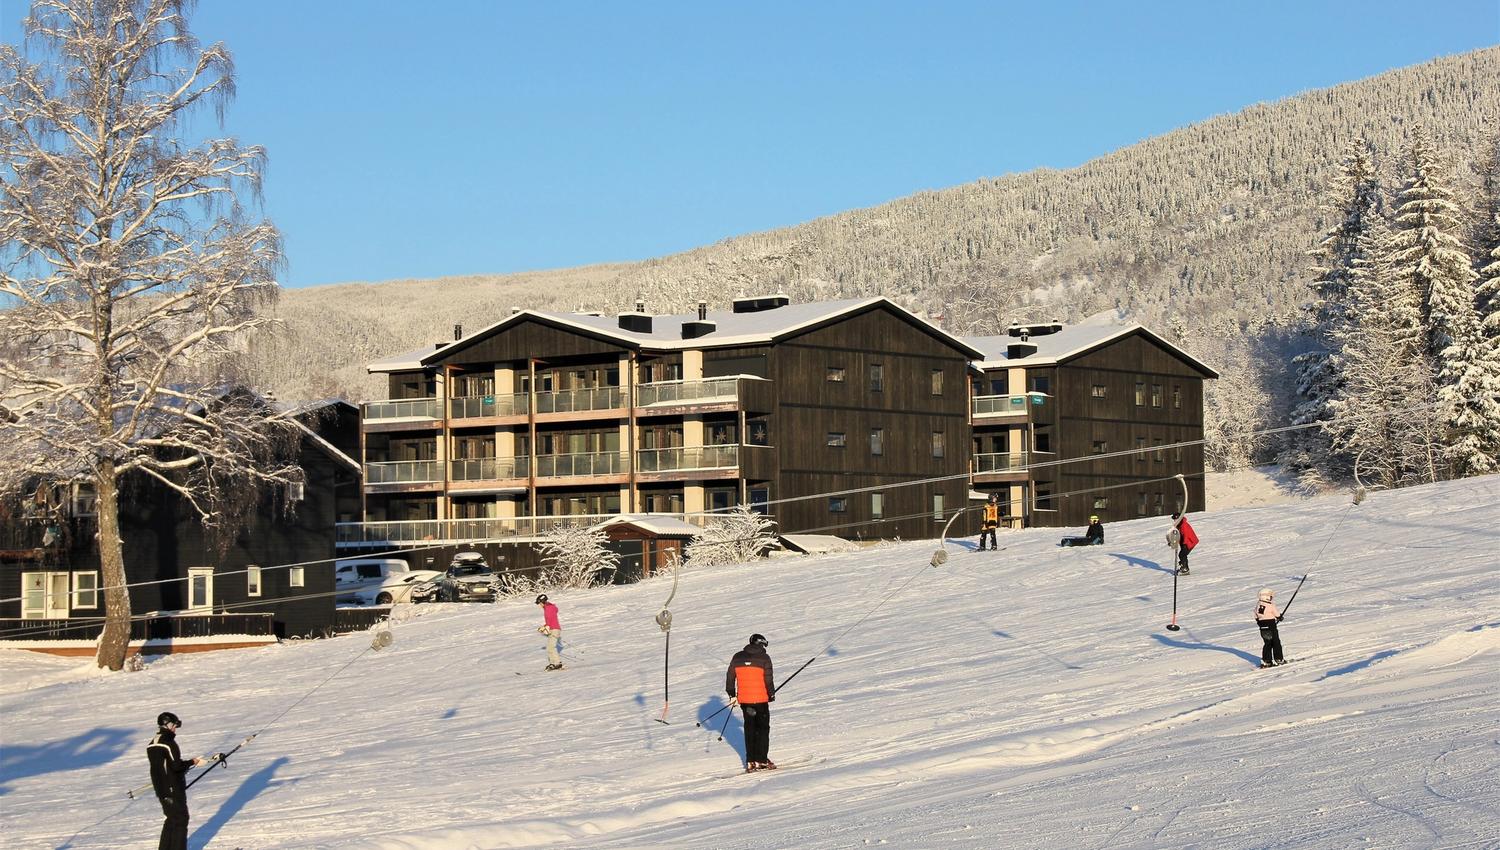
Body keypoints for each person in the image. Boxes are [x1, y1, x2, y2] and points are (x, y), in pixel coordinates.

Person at [147, 711, 204, 850]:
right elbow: (176, 766)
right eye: (174, 725)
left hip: (161, 789)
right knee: (181, 819)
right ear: (168, 725)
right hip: (173, 789)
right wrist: (193, 761)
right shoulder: (168, 743)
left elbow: (164, 767)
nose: (175, 729)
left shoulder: (152, 743)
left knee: (171, 819)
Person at [726, 633, 776, 772]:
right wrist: (771, 694)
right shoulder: (764, 658)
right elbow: (768, 680)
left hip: (745, 701)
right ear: (761, 644)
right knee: (762, 730)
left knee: (750, 729)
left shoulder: (737, 657)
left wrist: (732, 695)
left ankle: (750, 761)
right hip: (760, 700)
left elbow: (730, 677)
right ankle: (761, 760)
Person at [1254, 587, 1286, 668]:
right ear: (1266, 596)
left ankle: (1267, 661)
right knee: (1276, 642)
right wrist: (1279, 617)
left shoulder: (1258, 604)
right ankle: (1279, 659)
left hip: (1262, 627)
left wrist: (1259, 621)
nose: (1271, 597)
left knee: (1267, 643)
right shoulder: (1270, 605)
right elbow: (1276, 614)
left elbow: (1255, 615)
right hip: (1271, 626)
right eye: (1270, 596)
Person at [535, 593, 563, 671]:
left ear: (543, 602)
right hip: (554, 629)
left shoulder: (548, 608)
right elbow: (550, 620)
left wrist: (546, 628)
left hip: (554, 629)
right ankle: (554, 663)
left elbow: (550, 620)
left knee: (551, 647)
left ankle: (556, 663)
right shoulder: (549, 608)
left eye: (540, 603)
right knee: (550, 647)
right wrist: (544, 627)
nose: (539, 605)